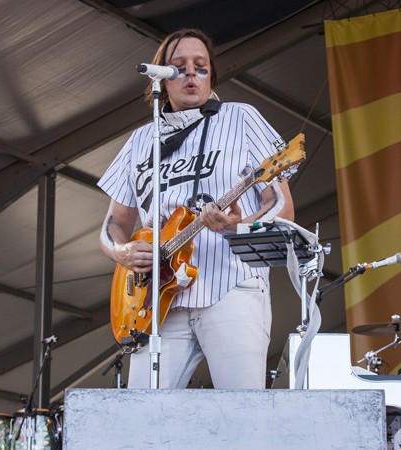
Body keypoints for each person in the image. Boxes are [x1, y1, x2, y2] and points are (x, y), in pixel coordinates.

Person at [97, 28, 294, 389]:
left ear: (211, 75)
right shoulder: (141, 141)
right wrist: (122, 251)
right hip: (158, 302)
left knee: (242, 413)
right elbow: (113, 223)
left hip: (231, 287)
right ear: (162, 77)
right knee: (139, 419)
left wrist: (239, 227)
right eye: (179, 66)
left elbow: (281, 205)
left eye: (200, 66)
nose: (191, 73)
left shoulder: (242, 118)